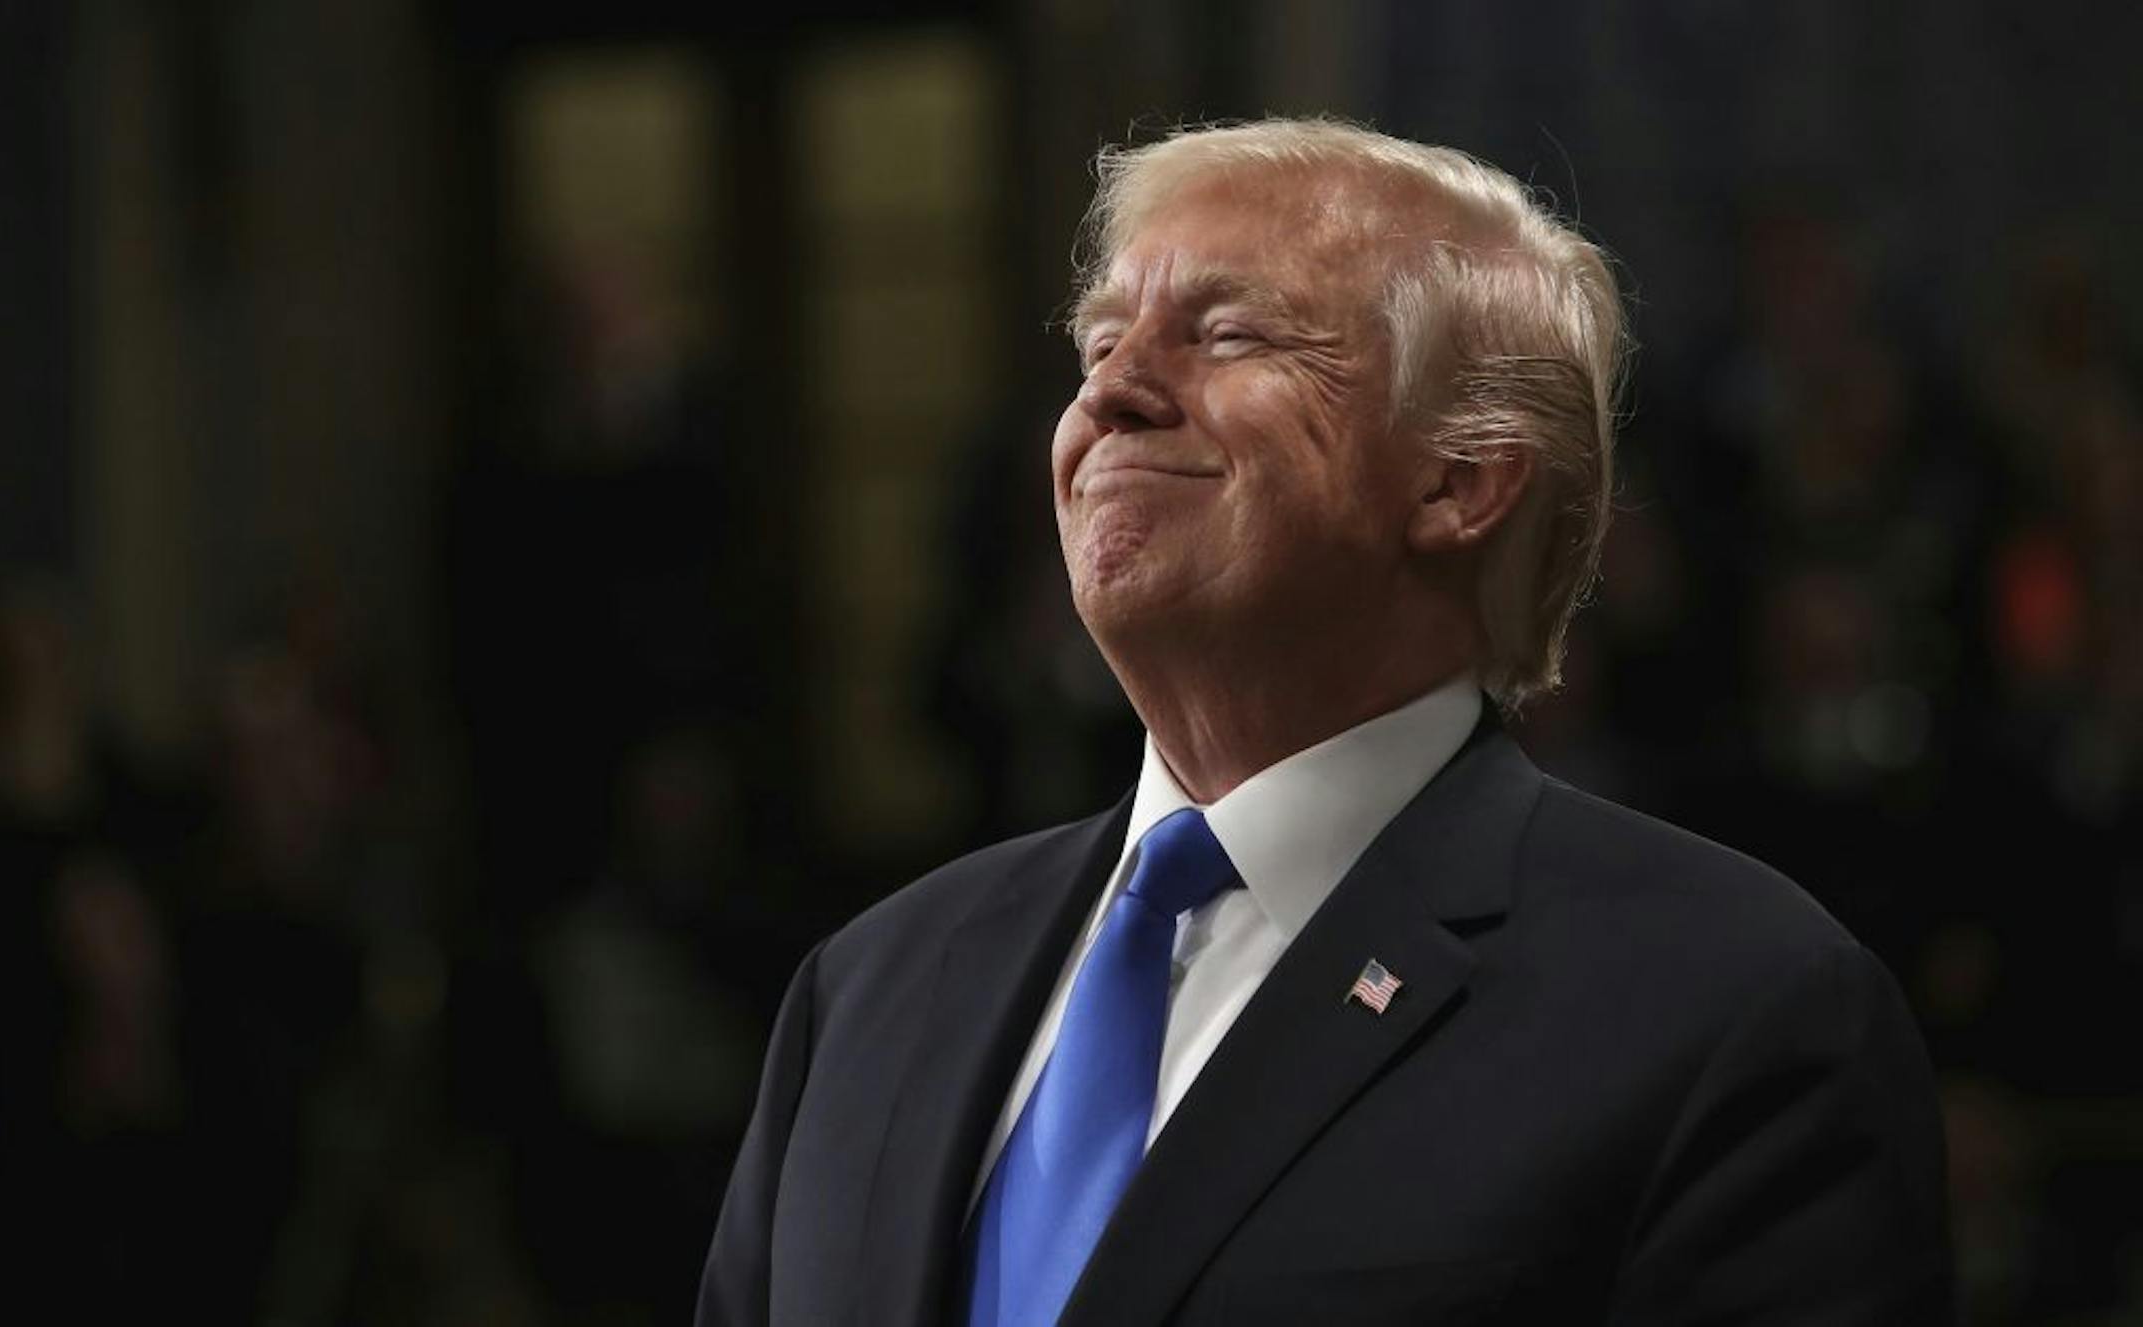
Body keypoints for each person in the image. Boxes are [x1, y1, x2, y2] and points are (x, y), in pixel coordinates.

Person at [696, 119, 1951, 1325]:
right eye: (1096, 346)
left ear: (1459, 478)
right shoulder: (872, 986)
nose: (1113, 395)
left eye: (1228, 335)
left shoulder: (1734, 1011)